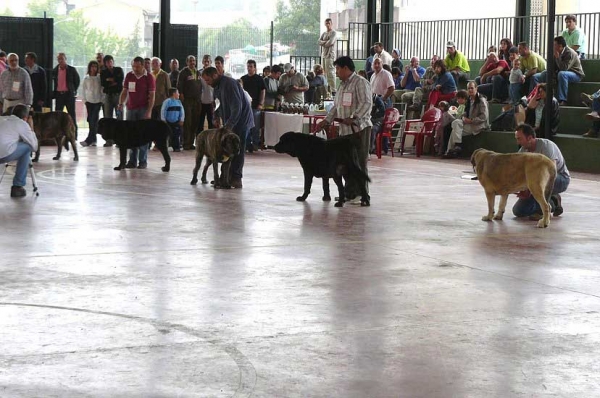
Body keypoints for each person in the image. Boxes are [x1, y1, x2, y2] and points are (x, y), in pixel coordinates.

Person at [316, 56, 373, 203]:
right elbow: (336, 107)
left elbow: (366, 103)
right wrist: (326, 120)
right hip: (344, 130)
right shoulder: (341, 86)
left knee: (359, 161)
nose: (336, 72)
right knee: (346, 163)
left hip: (359, 129)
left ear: (346, 68)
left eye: (338, 69)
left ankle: (362, 194)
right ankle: (349, 193)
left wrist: (354, 117)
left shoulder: (360, 82)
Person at [201, 67, 254, 189]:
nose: (207, 83)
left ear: (215, 75)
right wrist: (216, 115)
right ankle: (224, 177)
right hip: (231, 121)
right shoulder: (217, 87)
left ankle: (236, 178)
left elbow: (237, 107)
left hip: (241, 122)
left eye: (208, 80)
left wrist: (229, 126)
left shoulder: (229, 84)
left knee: (236, 149)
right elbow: (218, 103)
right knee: (226, 150)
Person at [513, 123, 569, 219]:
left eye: (519, 139)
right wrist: (524, 190)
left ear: (529, 138)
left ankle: (542, 211)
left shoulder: (546, 146)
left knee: (541, 180)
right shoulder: (522, 152)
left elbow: (551, 172)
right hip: (535, 182)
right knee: (519, 211)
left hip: (559, 178)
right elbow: (521, 174)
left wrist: (530, 189)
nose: (518, 142)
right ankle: (553, 200)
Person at [118, 56, 155, 169]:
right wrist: (121, 103)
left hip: (143, 109)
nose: (135, 68)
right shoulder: (129, 76)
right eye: (133, 66)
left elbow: (152, 96)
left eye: (137, 66)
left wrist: (149, 111)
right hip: (131, 109)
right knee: (131, 135)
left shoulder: (149, 77)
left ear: (143, 65)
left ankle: (142, 161)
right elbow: (124, 91)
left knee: (142, 135)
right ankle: (132, 160)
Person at [532, 36, 585, 106]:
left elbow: (564, 68)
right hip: (560, 72)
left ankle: (562, 100)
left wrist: (557, 58)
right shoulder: (556, 52)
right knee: (539, 75)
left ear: (560, 46)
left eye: (555, 45)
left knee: (562, 74)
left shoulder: (570, 53)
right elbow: (552, 67)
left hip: (575, 74)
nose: (553, 46)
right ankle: (540, 97)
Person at [0, 104, 38, 198]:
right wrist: (31, 127)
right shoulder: (22, 123)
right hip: (4, 154)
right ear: (25, 118)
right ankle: (18, 186)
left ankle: (18, 185)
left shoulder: (2, 119)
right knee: (27, 147)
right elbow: (34, 146)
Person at [444, 81, 489, 158]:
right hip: (468, 123)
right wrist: (462, 116)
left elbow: (484, 117)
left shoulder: (481, 100)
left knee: (454, 130)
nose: (470, 90)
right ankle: (456, 147)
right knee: (456, 122)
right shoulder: (469, 100)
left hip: (478, 125)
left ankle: (450, 151)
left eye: (472, 88)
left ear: (476, 88)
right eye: (469, 88)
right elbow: (466, 112)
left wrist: (471, 120)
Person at [52, 53, 80, 137]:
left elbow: (77, 81)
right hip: (59, 95)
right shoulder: (55, 70)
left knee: (71, 115)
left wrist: (73, 90)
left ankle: (74, 134)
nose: (60, 60)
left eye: (62, 59)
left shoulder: (72, 70)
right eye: (58, 59)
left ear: (65, 59)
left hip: (69, 95)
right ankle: (58, 134)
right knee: (58, 116)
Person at [177, 55, 202, 150]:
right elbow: (179, 85)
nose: (192, 62)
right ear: (187, 62)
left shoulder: (198, 72)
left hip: (197, 101)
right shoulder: (183, 72)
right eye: (190, 61)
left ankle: (191, 143)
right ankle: (185, 143)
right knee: (187, 121)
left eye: (194, 61)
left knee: (195, 122)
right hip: (187, 100)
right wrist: (181, 95)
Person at [241, 59, 266, 152]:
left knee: (255, 127)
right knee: (245, 126)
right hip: (245, 107)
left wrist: (261, 103)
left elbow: (263, 91)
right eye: (248, 66)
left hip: (256, 106)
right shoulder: (243, 79)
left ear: (255, 68)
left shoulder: (259, 79)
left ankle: (255, 144)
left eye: (251, 66)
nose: (249, 68)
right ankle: (247, 145)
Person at [100, 54, 124, 146]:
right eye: (107, 62)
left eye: (111, 61)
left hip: (118, 95)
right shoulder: (103, 72)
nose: (109, 63)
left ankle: (120, 139)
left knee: (119, 117)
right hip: (108, 96)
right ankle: (109, 140)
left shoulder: (118, 70)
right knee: (108, 118)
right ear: (105, 63)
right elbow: (103, 83)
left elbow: (120, 81)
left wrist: (110, 80)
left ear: (113, 62)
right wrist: (114, 81)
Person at [434, 91, 467, 156]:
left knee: (448, 129)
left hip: (460, 122)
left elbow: (461, 116)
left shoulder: (465, 106)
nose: (459, 100)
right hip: (455, 121)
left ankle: (446, 149)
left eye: (460, 98)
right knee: (445, 128)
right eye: (458, 98)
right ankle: (444, 148)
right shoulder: (459, 106)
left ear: (465, 99)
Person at [80, 60, 103, 147]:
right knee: (90, 120)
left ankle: (89, 140)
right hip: (89, 101)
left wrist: (102, 99)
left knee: (94, 119)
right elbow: (83, 90)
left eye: (95, 66)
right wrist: (85, 100)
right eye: (92, 66)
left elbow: (102, 89)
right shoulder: (86, 78)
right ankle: (93, 139)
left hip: (97, 101)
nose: (93, 68)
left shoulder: (99, 78)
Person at [161, 87, 185, 151]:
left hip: (176, 121)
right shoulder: (167, 102)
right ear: (174, 94)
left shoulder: (179, 102)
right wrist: (163, 119)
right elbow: (163, 111)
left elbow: (182, 112)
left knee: (176, 134)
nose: (179, 94)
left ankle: (176, 147)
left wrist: (181, 119)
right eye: (178, 93)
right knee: (166, 135)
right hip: (167, 122)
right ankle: (164, 146)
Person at [318, 18, 337, 93]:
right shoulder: (324, 33)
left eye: (329, 23)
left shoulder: (333, 33)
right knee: (324, 73)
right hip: (324, 55)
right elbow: (318, 41)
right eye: (326, 23)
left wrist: (324, 43)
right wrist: (326, 42)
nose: (327, 25)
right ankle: (326, 90)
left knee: (330, 73)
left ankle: (333, 90)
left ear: (331, 23)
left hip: (330, 55)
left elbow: (331, 42)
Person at [198, 54, 215, 131]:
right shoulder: (199, 73)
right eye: (205, 61)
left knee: (211, 122)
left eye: (208, 61)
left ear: (211, 62)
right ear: (202, 62)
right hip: (202, 101)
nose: (206, 63)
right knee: (200, 122)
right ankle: (199, 140)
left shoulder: (214, 73)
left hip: (211, 101)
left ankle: (211, 141)